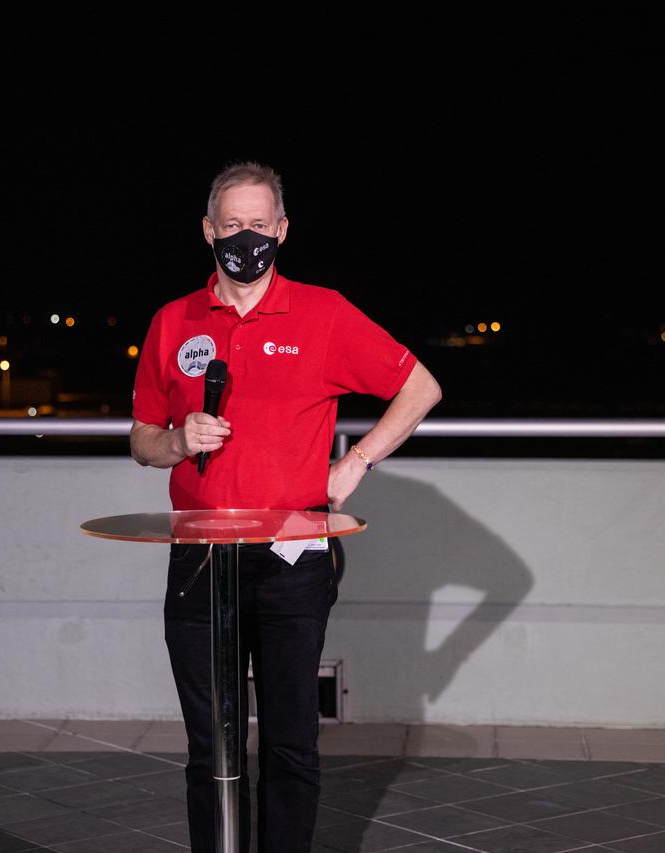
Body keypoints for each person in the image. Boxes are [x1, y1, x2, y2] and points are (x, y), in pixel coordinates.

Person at [129, 161, 441, 852]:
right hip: (199, 557)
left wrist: (357, 460)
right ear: (209, 230)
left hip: (292, 558)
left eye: (261, 224)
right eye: (233, 224)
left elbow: (420, 385)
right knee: (210, 743)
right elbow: (142, 441)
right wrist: (180, 439)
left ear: (284, 229)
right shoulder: (172, 321)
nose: (248, 237)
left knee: (291, 740)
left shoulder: (323, 313)